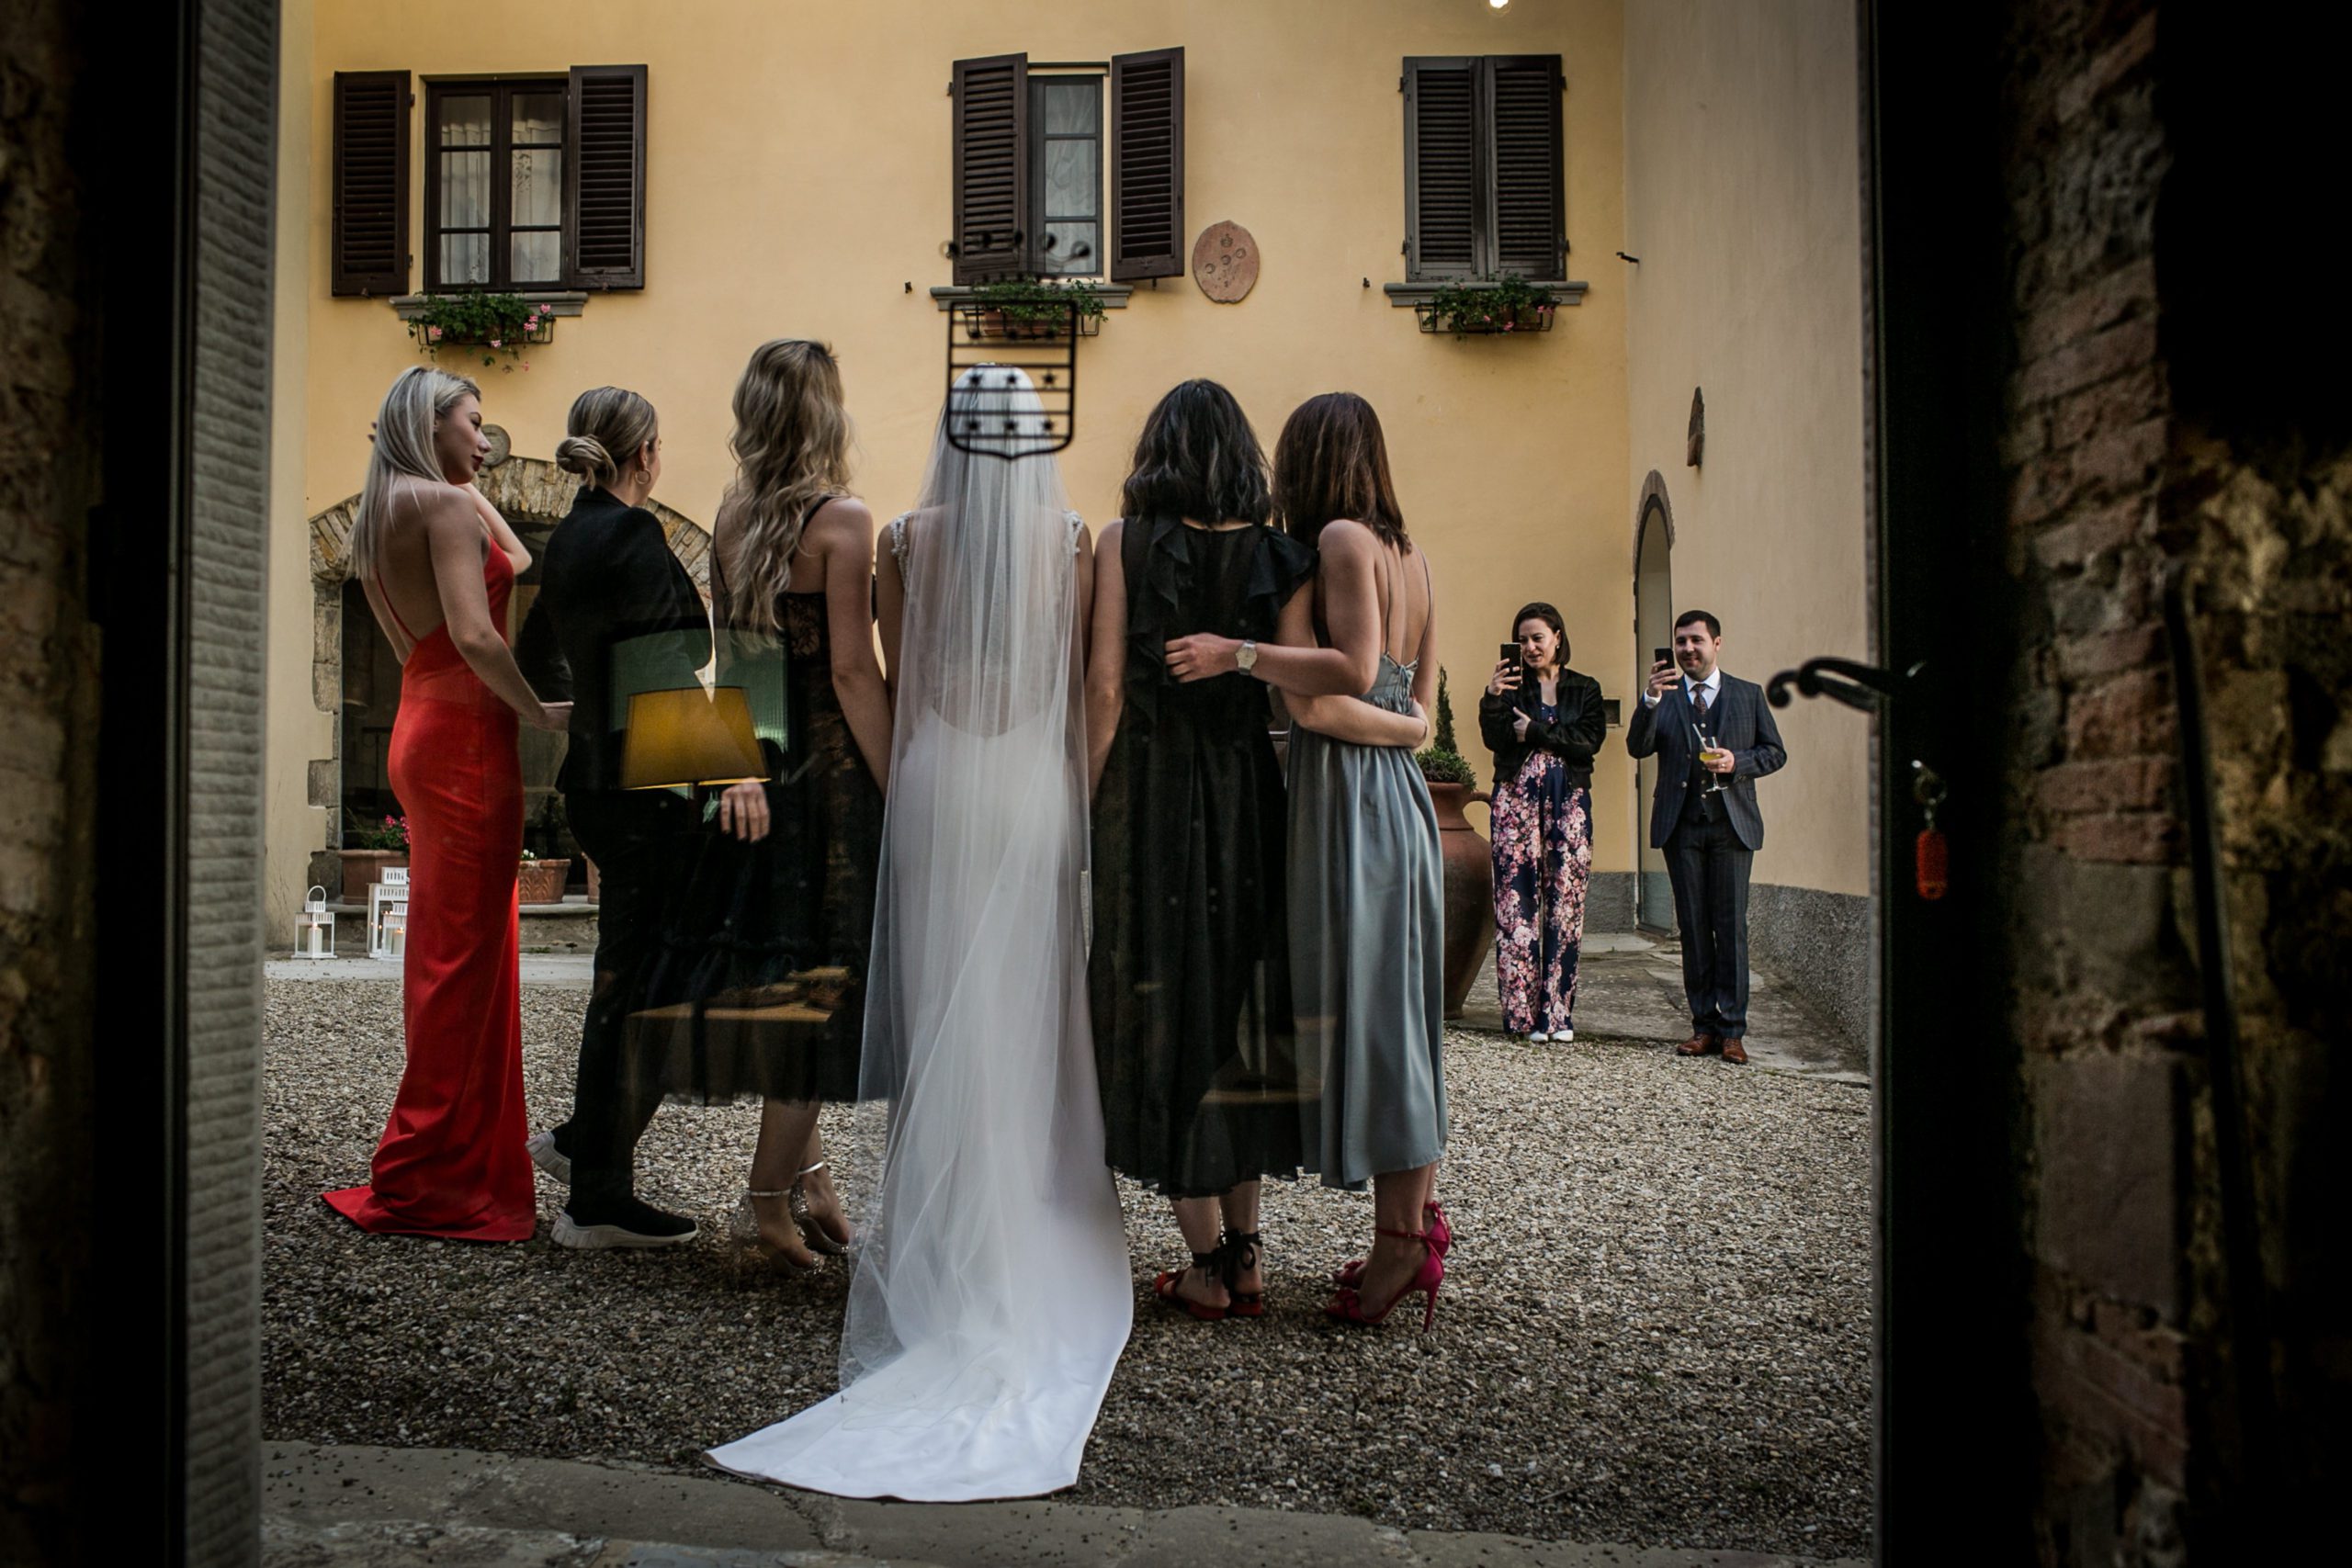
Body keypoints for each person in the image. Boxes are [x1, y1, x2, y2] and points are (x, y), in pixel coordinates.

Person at [707, 367, 1130, 1500]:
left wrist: (911, 785)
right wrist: (1068, 804)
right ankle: (1019, 1227)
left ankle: (943, 1251)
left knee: (944, 1007)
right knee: (1024, 1007)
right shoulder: (1072, 540)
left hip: (938, 776)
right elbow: (1096, 687)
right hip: (1030, 783)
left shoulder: (902, 538)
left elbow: (891, 667)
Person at [1089, 380, 1414, 1323]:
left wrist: (1080, 802)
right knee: (1234, 1007)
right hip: (1243, 801)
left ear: (1156, 450)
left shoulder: (1122, 543)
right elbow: (1304, 683)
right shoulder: (1284, 554)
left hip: (1147, 800)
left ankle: (1204, 1263)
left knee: (1156, 1006)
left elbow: (1105, 690)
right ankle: (1248, 1253)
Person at [1166, 390, 1447, 1330]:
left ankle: (1401, 1245)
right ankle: (1408, 1227)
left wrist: (1239, 654)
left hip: (1346, 802)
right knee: (1402, 1015)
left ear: (1311, 460)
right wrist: (1405, 732)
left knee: (1369, 1018)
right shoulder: (1413, 558)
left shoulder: (1337, 541)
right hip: (1401, 800)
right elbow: (1418, 715)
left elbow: (1337, 691)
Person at [626, 341, 888, 1272]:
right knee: (825, 991)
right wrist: (899, 783)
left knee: (785, 979)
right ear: (826, 413)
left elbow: (733, 655)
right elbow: (854, 672)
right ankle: (764, 1203)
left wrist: (738, 765)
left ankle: (806, 1178)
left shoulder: (732, 509)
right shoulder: (844, 521)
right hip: (827, 778)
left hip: (758, 765)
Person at [323, 367, 570, 1241]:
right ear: (430, 425)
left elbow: (521, 559)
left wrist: (470, 478)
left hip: (419, 726)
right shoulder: (447, 508)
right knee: (467, 963)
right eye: (474, 423)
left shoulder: (387, 510)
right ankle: (437, 1173)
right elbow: (474, 633)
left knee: (448, 955)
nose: (486, 439)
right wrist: (535, 709)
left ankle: (434, 1154)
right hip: (468, 739)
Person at [513, 387, 710, 1247]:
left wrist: (572, 712)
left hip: (593, 779)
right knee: (646, 989)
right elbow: (679, 656)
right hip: (648, 789)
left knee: (625, 979)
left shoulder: (564, 540)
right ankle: (596, 1190)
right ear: (646, 456)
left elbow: (534, 653)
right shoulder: (634, 533)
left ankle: (584, 1147)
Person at [1624, 609, 1788, 1065]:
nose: (1688, 649)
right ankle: (1703, 1027)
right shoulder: (1666, 696)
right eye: (1681, 642)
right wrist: (1650, 700)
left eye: (1696, 640)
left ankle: (1733, 1031)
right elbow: (1637, 747)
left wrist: (1738, 763)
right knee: (1694, 929)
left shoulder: (1748, 695)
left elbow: (1775, 752)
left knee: (1731, 927)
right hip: (1682, 827)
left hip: (1732, 826)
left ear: (1717, 643)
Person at [1478, 602, 1606, 1044]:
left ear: (1557, 636)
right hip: (1515, 802)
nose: (1530, 647)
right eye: (1523, 640)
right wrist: (1492, 698)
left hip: (1568, 803)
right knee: (1516, 904)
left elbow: (1588, 743)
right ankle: (1521, 1015)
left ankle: (1557, 1015)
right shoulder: (1509, 688)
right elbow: (1495, 739)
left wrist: (1533, 732)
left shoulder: (1585, 688)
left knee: (1565, 903)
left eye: (1538, 637)